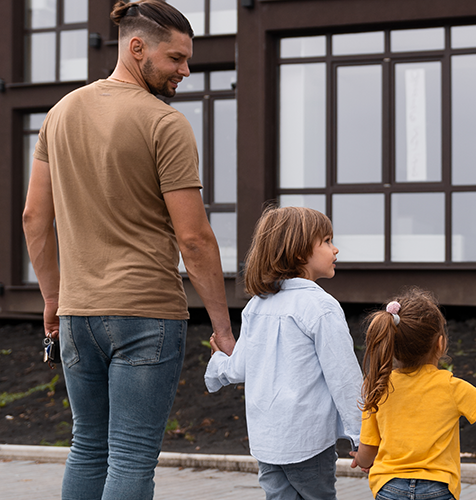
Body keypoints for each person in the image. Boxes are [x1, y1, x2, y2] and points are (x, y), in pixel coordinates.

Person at [22, 1, 236, 498]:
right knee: (132, 456)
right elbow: (195, 238)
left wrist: (52, 299)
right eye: (176, 59)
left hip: (77, 314)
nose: (185, 71)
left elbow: (34, 218)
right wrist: (223, 328)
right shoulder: (165, 124)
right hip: (146, 315)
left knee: (88, 447)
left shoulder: (60, 114)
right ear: (136, 47)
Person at [205, 205, 362, 500]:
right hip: (308, 440)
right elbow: (344, 377)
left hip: (267, 442)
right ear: (300, 253)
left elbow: (238, 369)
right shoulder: (321, 307)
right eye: (327, 241)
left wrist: (218, 362)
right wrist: (363, 434)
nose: (336, 249)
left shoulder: (256, 306)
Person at [350, 288, 476, 500]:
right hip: (437, 488)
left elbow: (367, 452)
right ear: (440, 343)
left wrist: (361, 460)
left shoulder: (379, 387)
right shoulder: (451, 386)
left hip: (389, 487)